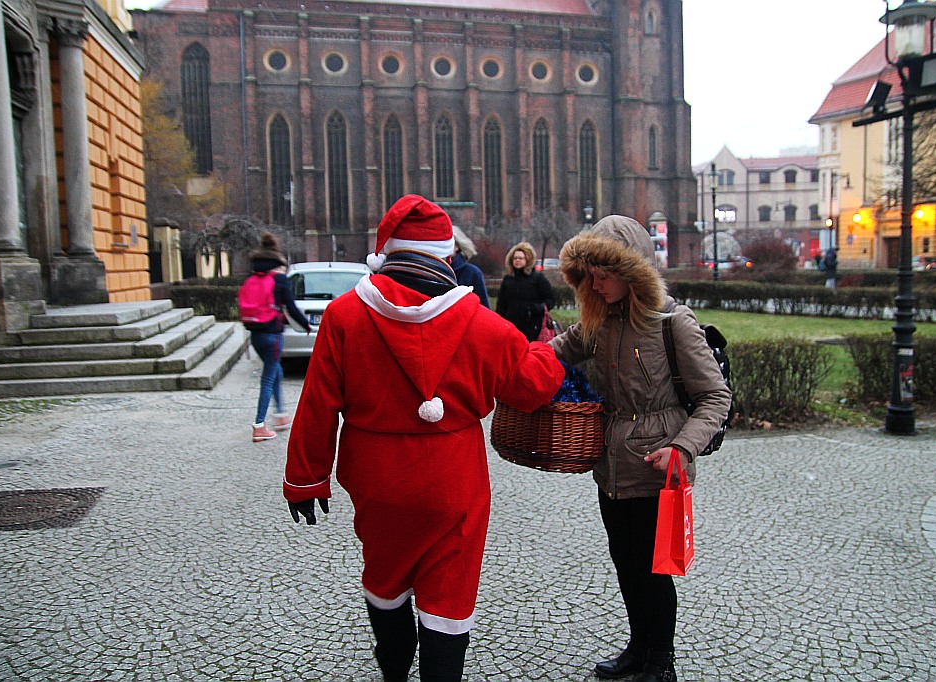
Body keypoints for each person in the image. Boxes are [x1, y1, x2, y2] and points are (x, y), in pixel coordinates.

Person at [283, 195, 564, 682]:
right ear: (446, 257)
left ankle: (394, 666)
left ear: (386, 253)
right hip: (453, 479)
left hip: (376, 477)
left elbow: (318, 404)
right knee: (449, 589)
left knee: (385, 574)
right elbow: (533, 384)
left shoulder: (344, 316)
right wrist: (548, 351)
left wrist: (306, 480)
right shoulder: (483, 324)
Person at [550, 215, 732, 682]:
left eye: (604, 273)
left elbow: (715, 397)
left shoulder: (673, 322)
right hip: (611, 467)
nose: (596, 282)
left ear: (631, 271)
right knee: (626, 564)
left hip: (660, 468)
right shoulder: (600, 321)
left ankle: (660, 661)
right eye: (589, 274)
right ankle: (637, 647)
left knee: (655, 572)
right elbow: (551, 353)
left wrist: (683, 449)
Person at [245, 232, 311, 442]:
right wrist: (305, 326)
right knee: (268, 376)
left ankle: (281, 414)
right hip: (272, 334)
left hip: (255, 333)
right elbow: (290, 307)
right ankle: (259, 425)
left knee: (275, 369)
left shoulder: (252, 278)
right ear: (278, 261)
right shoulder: (280, 280)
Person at [496, 241, 556, 341]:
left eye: (520, 258)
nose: (517, 260)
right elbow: (501, 304)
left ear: (527, 259)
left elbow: (550, 300)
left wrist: (537, 309)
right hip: (511, 325)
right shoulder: (508, 279)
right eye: (515, 258)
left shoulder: (537, 278)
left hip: (533, 325)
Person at [451, 225, 490, 307]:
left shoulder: (472, 272)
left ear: (457, 247)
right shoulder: (432, 270)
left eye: (449, 243)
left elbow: (483, 306)